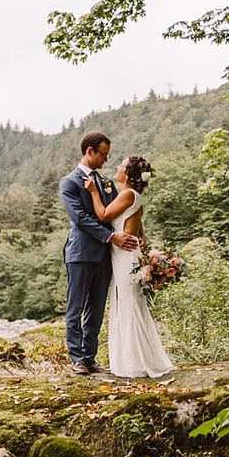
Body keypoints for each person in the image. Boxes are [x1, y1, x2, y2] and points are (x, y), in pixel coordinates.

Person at [84, 155, 174, 378]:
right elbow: (136, 222)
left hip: (125, 257)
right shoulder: (135, 196)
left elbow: (104, 215)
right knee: (130, 303)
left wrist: (94, 192)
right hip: (127, 254)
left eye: (121, 165)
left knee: (127, 304)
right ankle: (134, 360)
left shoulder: (126, 194)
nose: (117, 166)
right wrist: (141, 236)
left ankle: (133, 363)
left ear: (129, 174)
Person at [59, 132, 139, 375]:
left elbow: (113, 214)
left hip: (106, 255)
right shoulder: (69, 182)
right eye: (103, 154)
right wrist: (110, 237)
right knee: (76, 308)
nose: (106, 159)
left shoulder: (106, 182)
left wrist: (130, 235)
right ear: (90, 151)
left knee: (96, 307)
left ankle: (90, 357)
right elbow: (80, 218)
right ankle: (77, 359)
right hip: (81, 253)